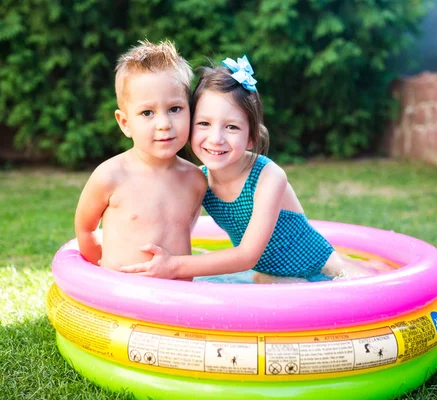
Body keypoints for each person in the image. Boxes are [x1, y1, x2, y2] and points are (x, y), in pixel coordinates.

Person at [120, 55, 390, 283]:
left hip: (322, 269)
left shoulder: (268, 176)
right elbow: (178, 233)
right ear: (190, 125)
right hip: (267, 276)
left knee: (371, 290)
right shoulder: (198, 181)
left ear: (251, 137)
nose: (216, 138)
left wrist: (176, 266)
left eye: (232, 127)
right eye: (204, 124)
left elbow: (247, 254)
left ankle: (369, 270)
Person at [74, 39, 206, 278]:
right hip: (126, 296)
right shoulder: (111, 176)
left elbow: (187, 230)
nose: (164, 124)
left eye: (175, 109)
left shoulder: (196, 180)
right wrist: (100, 273)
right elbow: (85, 228)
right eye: (147, 113)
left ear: (191, 110)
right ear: (125, 123)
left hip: (180, 300)